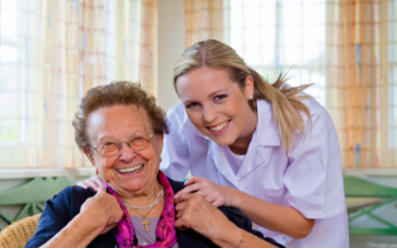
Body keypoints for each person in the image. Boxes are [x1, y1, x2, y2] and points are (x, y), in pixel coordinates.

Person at [79, 39, 349, 247]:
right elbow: (150, 178)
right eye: (193, 104)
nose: (208, 116)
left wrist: (229, 196)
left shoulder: (305, 121)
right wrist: (101, 180)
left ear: (248, 87)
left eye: (220, 97)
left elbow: (301, 224)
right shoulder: (181, 123)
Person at [26, 82, 283, 248]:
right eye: (109, 145)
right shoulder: (73, 206)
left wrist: (223, 231)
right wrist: (87, 224)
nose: (126, 155)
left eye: (138, 139)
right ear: (92, 157)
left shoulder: (200, 201)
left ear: (159, 143)